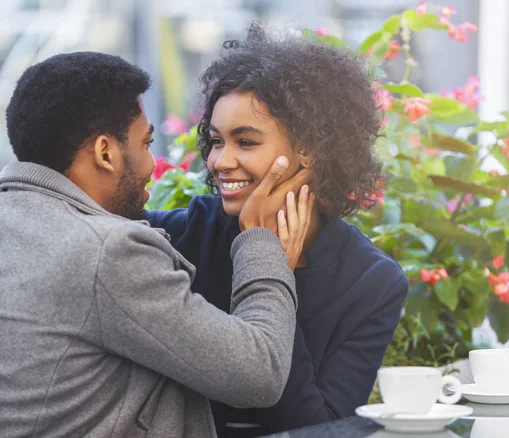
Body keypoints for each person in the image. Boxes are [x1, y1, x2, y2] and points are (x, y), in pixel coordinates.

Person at [0, 51, 314, 438]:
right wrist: (262, 243)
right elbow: (259, 373)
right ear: (105, 152)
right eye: (146, 144)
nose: (152, 163)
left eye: (245, 141)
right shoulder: (107, 252)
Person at [146, 24, 409, 436]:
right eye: (216, 141)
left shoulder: (372, 281)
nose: (220, 161)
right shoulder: (179, 236)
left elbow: (318, 428)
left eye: (245, 142)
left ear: (308, 149)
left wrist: (270, 267)